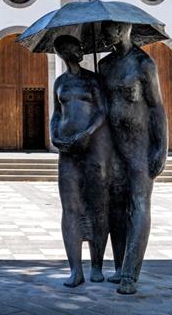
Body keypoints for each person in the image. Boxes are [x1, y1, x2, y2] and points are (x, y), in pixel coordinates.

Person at [99, 22, 167, 295]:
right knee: (116, 204)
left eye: (113, 29)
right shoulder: (104, 66)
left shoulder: (143, 63)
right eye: (106, 31)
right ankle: (119, 266)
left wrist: (161, 148)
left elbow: (157, 107)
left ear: (126, 29)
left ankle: (131, 273)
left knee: (138, 203)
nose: (108, 34)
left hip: (140, 145)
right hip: (113, 145)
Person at [50, 34, 113, 287]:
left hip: (94, 149)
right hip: (67, 151)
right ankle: (75, 269)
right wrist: (54, 135)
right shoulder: (60, 83)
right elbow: (57, 114)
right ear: (63, 53)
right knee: (70, 208)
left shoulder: (94, 80)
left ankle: (96, 265)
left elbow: (102, 111)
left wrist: (87, 134)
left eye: (77, 47)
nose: (77, 51)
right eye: (71, 48)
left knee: (98, 206)